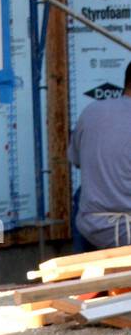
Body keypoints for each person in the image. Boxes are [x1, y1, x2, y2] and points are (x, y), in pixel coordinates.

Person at [68, 61, 131, 249]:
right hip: (125, 229)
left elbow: (77, 161)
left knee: (82, 194)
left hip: (93, 227)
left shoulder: (91, 111)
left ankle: (81, 268)